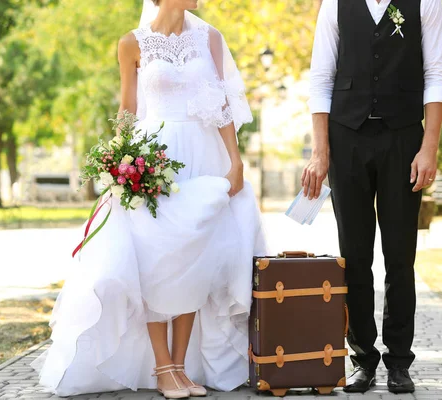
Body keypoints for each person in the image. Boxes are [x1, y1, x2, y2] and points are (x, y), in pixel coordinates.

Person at [31, 0, 266, 397]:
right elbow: (128, 106)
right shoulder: (131, 43)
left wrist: (236, 161)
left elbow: (221, 102)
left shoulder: (209, 37)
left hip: (203, 152)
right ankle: (162, 366)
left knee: (196, 254)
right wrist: (117, 160)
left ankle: (181, 365)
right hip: (154, 154)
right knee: (156, 256)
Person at [303, 0, 442, 394]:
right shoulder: (334, 4)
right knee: (354, 257)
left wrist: (429, 148)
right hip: (345, 136)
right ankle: (362, 360)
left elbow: (436, 74)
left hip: (404, 139)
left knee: (401, 257)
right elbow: (320, 78)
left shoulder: (426, 3)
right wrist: (320, 152)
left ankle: (399, 362)